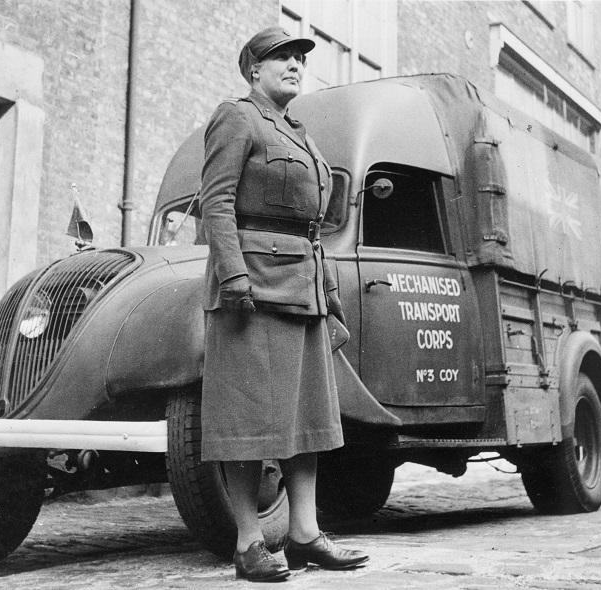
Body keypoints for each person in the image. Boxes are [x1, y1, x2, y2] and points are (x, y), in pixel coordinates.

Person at [199, 26, 370, 582]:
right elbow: (217, 205)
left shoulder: (300, 131)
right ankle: (250, 543)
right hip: (254, 288)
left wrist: (328, 290)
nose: (295, 64)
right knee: (246, 421)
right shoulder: (237, 116)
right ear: (253, 69)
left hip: (302, 286)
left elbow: (313, 227)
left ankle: (304, 533)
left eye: (300, 57)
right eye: (281, 57)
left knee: (307, 416)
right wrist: (233, 277)